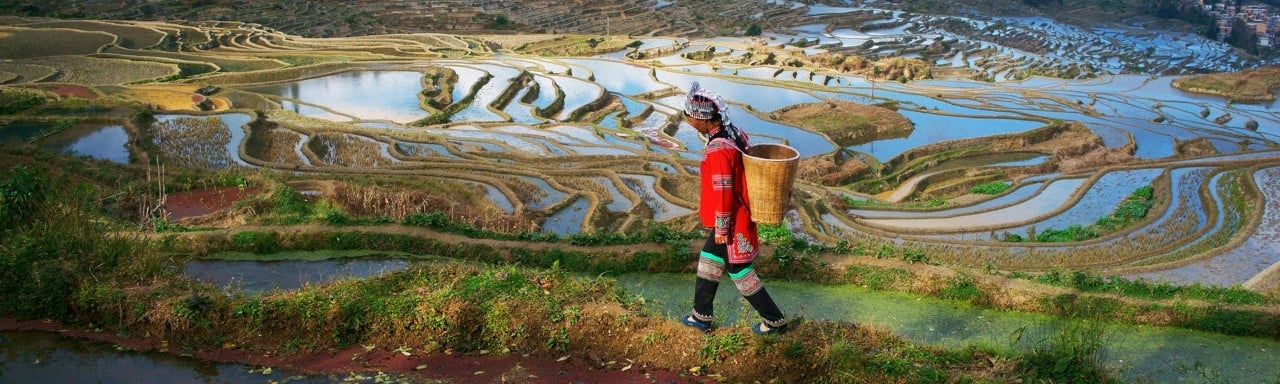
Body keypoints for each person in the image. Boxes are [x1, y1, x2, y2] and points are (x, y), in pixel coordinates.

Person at [679, 82, 787, 335]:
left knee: (740, 272)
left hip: (731, 220)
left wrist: (722, 226)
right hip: (737, 214)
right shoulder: (734, 134)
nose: (687, 120)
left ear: (702, 119)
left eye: (689, 116)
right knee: (709, 260)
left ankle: (775, 321)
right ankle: (701, 315)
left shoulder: (718, 149)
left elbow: (724, 189)